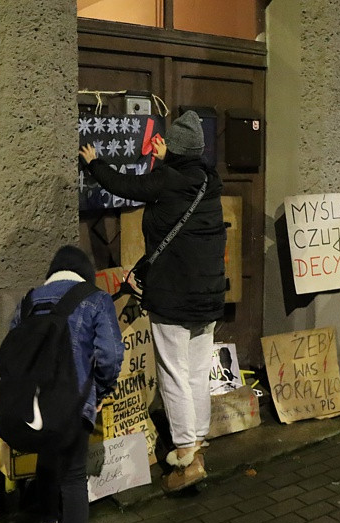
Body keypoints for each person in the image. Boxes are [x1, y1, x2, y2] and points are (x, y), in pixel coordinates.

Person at [79, 110, 226, 492]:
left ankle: (185, 454)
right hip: (208, 296)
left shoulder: (166, 181)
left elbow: (127, 185)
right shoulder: (207, 180)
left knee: (174, 373)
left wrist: (94, 163)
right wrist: (167, 159)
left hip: (175, 297)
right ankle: (198, 442)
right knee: (195, 370)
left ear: (175, 150)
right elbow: (177, 187)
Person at [9, 245, 123, 523]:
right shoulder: (96, 299)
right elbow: (110, 354)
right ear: (84, 276)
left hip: (36, 404)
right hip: (75, 402)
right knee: (73, 477)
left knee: (46, 464)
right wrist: (100, 390)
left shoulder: (28, 301)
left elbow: (13, 354)